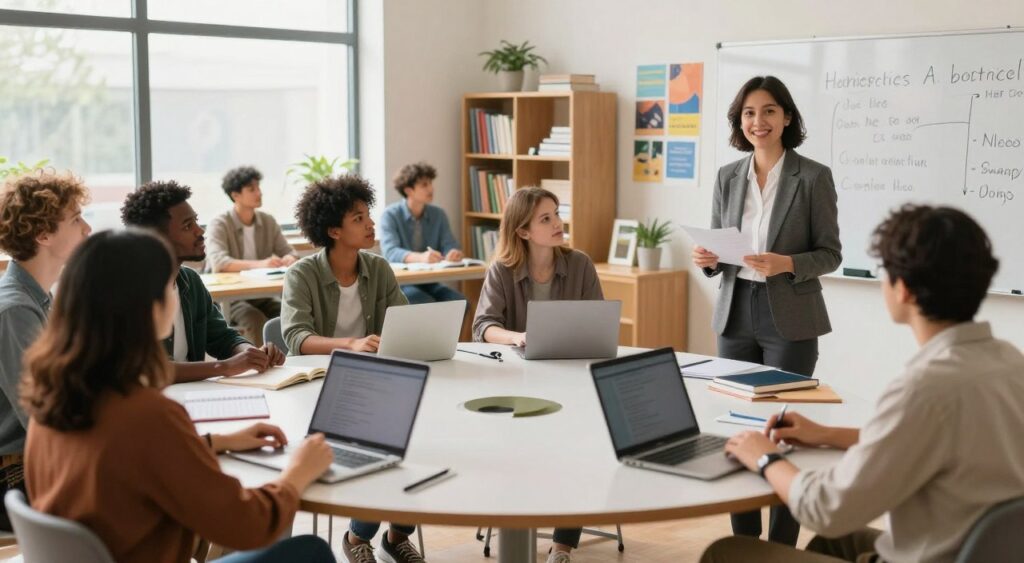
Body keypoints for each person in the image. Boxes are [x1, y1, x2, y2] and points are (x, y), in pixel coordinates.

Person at [701, 204, 1024, 563]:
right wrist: (826, 435)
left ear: (903, 290)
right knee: (836, 542)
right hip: (981, 549)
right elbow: (927, 439)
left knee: (726, 551)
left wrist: (763, 457)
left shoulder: (924, 387)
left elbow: (825, 508)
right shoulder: (1010, 362)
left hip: (929, 555)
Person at [20, 229, 336, 563]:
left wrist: (217, 441)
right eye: (167, 286)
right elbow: (248, 525)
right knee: (309, 551)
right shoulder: (147, 413)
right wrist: (297, 473)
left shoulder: (53, 393)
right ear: (147, 305)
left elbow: (123, 456)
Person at [691, 75, 841, 544]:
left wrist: (787, 263)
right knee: (736, 431)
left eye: (769, 111)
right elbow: (720, 249)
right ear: (740, 121)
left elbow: (831, 253)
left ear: (787, 117)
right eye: (749, 113)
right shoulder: (726, 176)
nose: (759, 121)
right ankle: (744, 546)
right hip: (735, 313)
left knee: (782, 433)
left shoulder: (813, 176)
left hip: (790, 317)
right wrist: (708, 260)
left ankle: (780, 548)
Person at [280, 175, 421, 563]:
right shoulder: (302, 274)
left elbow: (403, 323)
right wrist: (351, 345)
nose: (370, 224)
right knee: (384, 443)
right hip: (325, 388)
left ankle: (396, 535)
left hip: (377, 384)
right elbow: (296, 337)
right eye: (358, 218)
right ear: (334, 230)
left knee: (418, 438)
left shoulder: (378, 268)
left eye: (367, 214)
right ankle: (359, 540)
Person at [472, 186, 601, 563]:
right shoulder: (502, 270)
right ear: (523, 231)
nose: (559, 223)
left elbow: (597, 322)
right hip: (517, 385)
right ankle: (518, 521)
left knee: (579, 447)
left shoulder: (579, 264)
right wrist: (517, 337)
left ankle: (561, 548)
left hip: (571, 381)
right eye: (546, 218)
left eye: (557, 213)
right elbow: (483, 326)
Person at [121, 180, 285, 382]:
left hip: (194, 397)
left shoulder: (190, 281)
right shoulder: (130, 292)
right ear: (157, 238)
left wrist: (251, 354)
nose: (200, 231)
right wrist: (223, 367)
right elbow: (148, 369)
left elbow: (222, 337)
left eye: (196, 221)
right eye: (188, 226)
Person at [0, 170, 91, 531]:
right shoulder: (16, 310)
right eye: (76, 219)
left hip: (35, 460)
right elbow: (44, 419)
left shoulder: (41, 299)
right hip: (15, 474)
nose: (86, 229)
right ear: (43, 235)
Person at [206, 166, 298, 346]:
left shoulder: (268, 221)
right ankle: (261, 366)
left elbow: (290, 252)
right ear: (235, 195)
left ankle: (293, 365)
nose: (259, 192)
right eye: (252, 189)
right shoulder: (219, 223)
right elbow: (219, 263)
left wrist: (289, 258)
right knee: (254, 319)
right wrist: (262, 264)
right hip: (230, 298)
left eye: (258, 187)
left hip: (260, 294)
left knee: (288, 313)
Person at [378, 162, 466, 304]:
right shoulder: (390, 215)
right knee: (423, 300)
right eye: (424, 185)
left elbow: (449, 243)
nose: (431, 188)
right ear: (408, 190)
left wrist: (453, 252)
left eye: (430, 183)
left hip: (428, 281)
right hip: (400, 283)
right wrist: (421, 257)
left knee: (459, 301)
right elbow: (390, 251)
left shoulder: (438, 214)